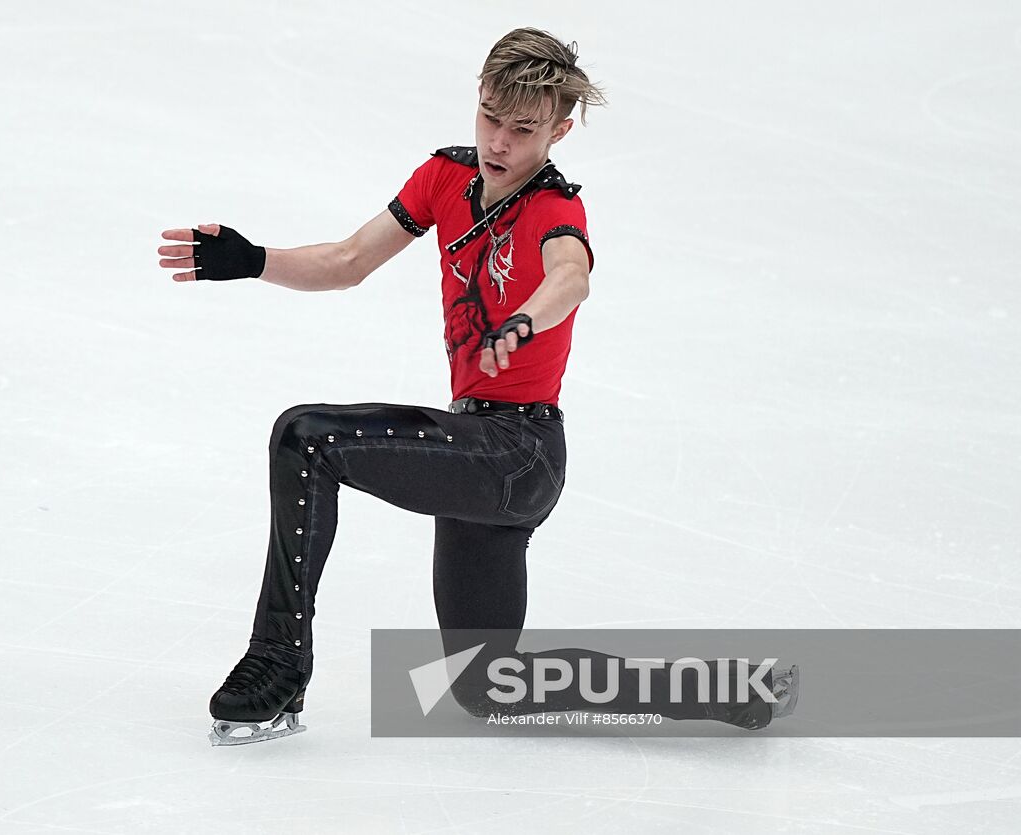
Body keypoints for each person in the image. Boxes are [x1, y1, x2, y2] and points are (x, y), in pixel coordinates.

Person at [157, 28, 796, 745]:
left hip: (519, 450)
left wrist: (524, 321)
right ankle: (716, 686)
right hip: (474, 450)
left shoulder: (556, 209)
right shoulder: (443, 178)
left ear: (560, 127)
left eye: (524, 128)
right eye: (492, 115)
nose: (500, 140)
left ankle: (277, 660)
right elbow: (346, 260)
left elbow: (571, 276)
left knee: (308, 439)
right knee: (489, 687)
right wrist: (253, 259)